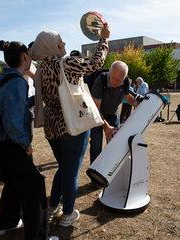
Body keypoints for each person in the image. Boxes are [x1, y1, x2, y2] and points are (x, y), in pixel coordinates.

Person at [29, 25, 110, 227]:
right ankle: (67, 214)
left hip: (52, 128)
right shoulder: (66, 64)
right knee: (71, 172)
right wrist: (104, 39)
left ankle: (52, 206)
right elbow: (96, 62)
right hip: (73, 125)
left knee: (64, 169)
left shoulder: (40, 70)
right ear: (52, 45)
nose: (64, 43)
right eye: (61, 40)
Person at [0, 40, 48, 240]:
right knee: (35, 185)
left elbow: (10, 107)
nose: (31, 59)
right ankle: (37, 236)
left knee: (14, 183)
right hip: (9, 145)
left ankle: (3, 224)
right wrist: (25, 145)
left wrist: (35, 100)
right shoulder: (17, 82)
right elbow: (12, 123)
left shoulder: (3, 78)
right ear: (23, 57)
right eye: (29, 55)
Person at [89, 61, 138, 167]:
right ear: (110, 72)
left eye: (119, 80)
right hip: (97, 116)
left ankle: (111, 169)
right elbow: (95, 110)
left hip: (112, 114)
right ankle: (95, 172)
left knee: (115, 144)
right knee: (96, 146)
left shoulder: (125, 82)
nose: (116, 82)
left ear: (124, 78)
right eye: (113, 79)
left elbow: (127, 97)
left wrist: (136, 103)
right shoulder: (100, 81)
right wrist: (106, 127)